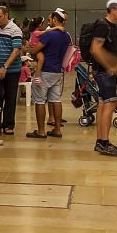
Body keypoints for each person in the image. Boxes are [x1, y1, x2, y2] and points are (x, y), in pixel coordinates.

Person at [80, 0, 117, 157]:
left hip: (104, 72)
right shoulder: (103, 26)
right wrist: (110, 66)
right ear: (112, 9)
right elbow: (95, 49)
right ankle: (104, 143)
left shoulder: (111, 27)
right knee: (110, 105)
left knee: (103, 105)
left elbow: (109, 49)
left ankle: (101, 141)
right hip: (105, 73)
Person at [27, 8, 72, 138]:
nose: (48, 22)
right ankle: (57, 129)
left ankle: (41, 131)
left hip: (45, 70)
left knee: (40, 101)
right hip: (58, 71)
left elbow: (35, 51)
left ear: (55, 19)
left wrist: (32, 51)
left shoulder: (49, 35)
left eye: (50, 20)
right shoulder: (66, 36)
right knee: (56, 99)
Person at [0, 4, 24, 135]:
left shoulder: (15, 30)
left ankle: (8, 125)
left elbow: (16, 51)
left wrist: (5, 67)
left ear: (6, 15)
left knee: (10, 97)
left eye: (0, 16)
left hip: (12, 70)